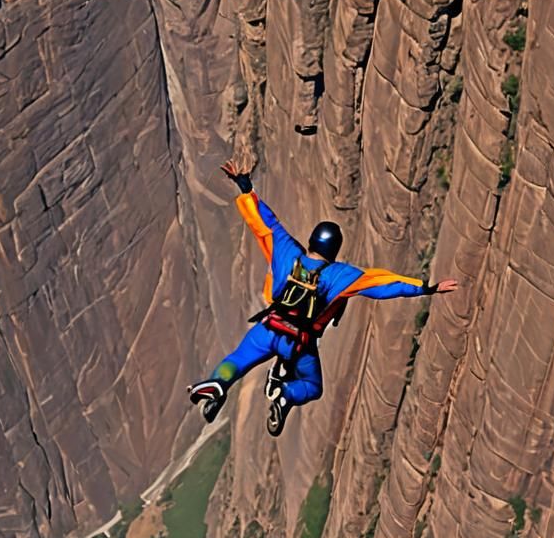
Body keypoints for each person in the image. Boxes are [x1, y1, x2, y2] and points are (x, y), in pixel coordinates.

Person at [187, 158, 459, 436]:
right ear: (335, 249)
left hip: (268, 328)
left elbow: (263, 222)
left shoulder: (286, 251)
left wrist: (245, 188)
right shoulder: (340, 276)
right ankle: (285, 395)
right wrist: (427, 286)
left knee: (236, 361)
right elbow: (384, 283)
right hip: (299, 345)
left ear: (312, 240)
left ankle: (218, 387)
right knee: (312, 386)